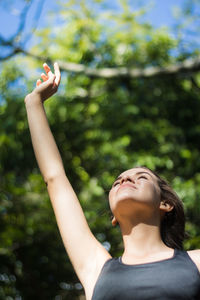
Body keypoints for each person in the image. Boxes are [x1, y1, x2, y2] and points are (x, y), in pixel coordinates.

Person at [25, 62, 200, 300]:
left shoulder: (195, 263)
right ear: (113, 216)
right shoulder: (95, 269)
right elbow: (55, 179)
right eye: (117, 181)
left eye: (142, 177)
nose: (125, 178)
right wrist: (33, 103)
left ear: (165, 204)